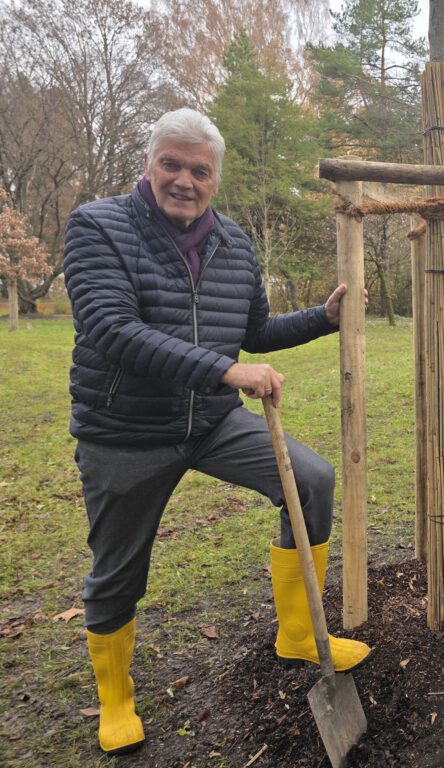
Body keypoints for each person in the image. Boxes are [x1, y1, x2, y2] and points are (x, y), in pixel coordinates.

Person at [63, 108, 370, 755]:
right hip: (125, 430)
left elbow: (251, 331)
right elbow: (111, 331)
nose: (184, 180)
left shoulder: (232, 241)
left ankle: (297, 632)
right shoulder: (99, 227)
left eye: (199, 170)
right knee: (118, 569)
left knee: (309, 482)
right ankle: (116, 698)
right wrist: (226, 370)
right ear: (148, 164)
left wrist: (323, 317)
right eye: (171, 164)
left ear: (215, 178)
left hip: (209, 422)